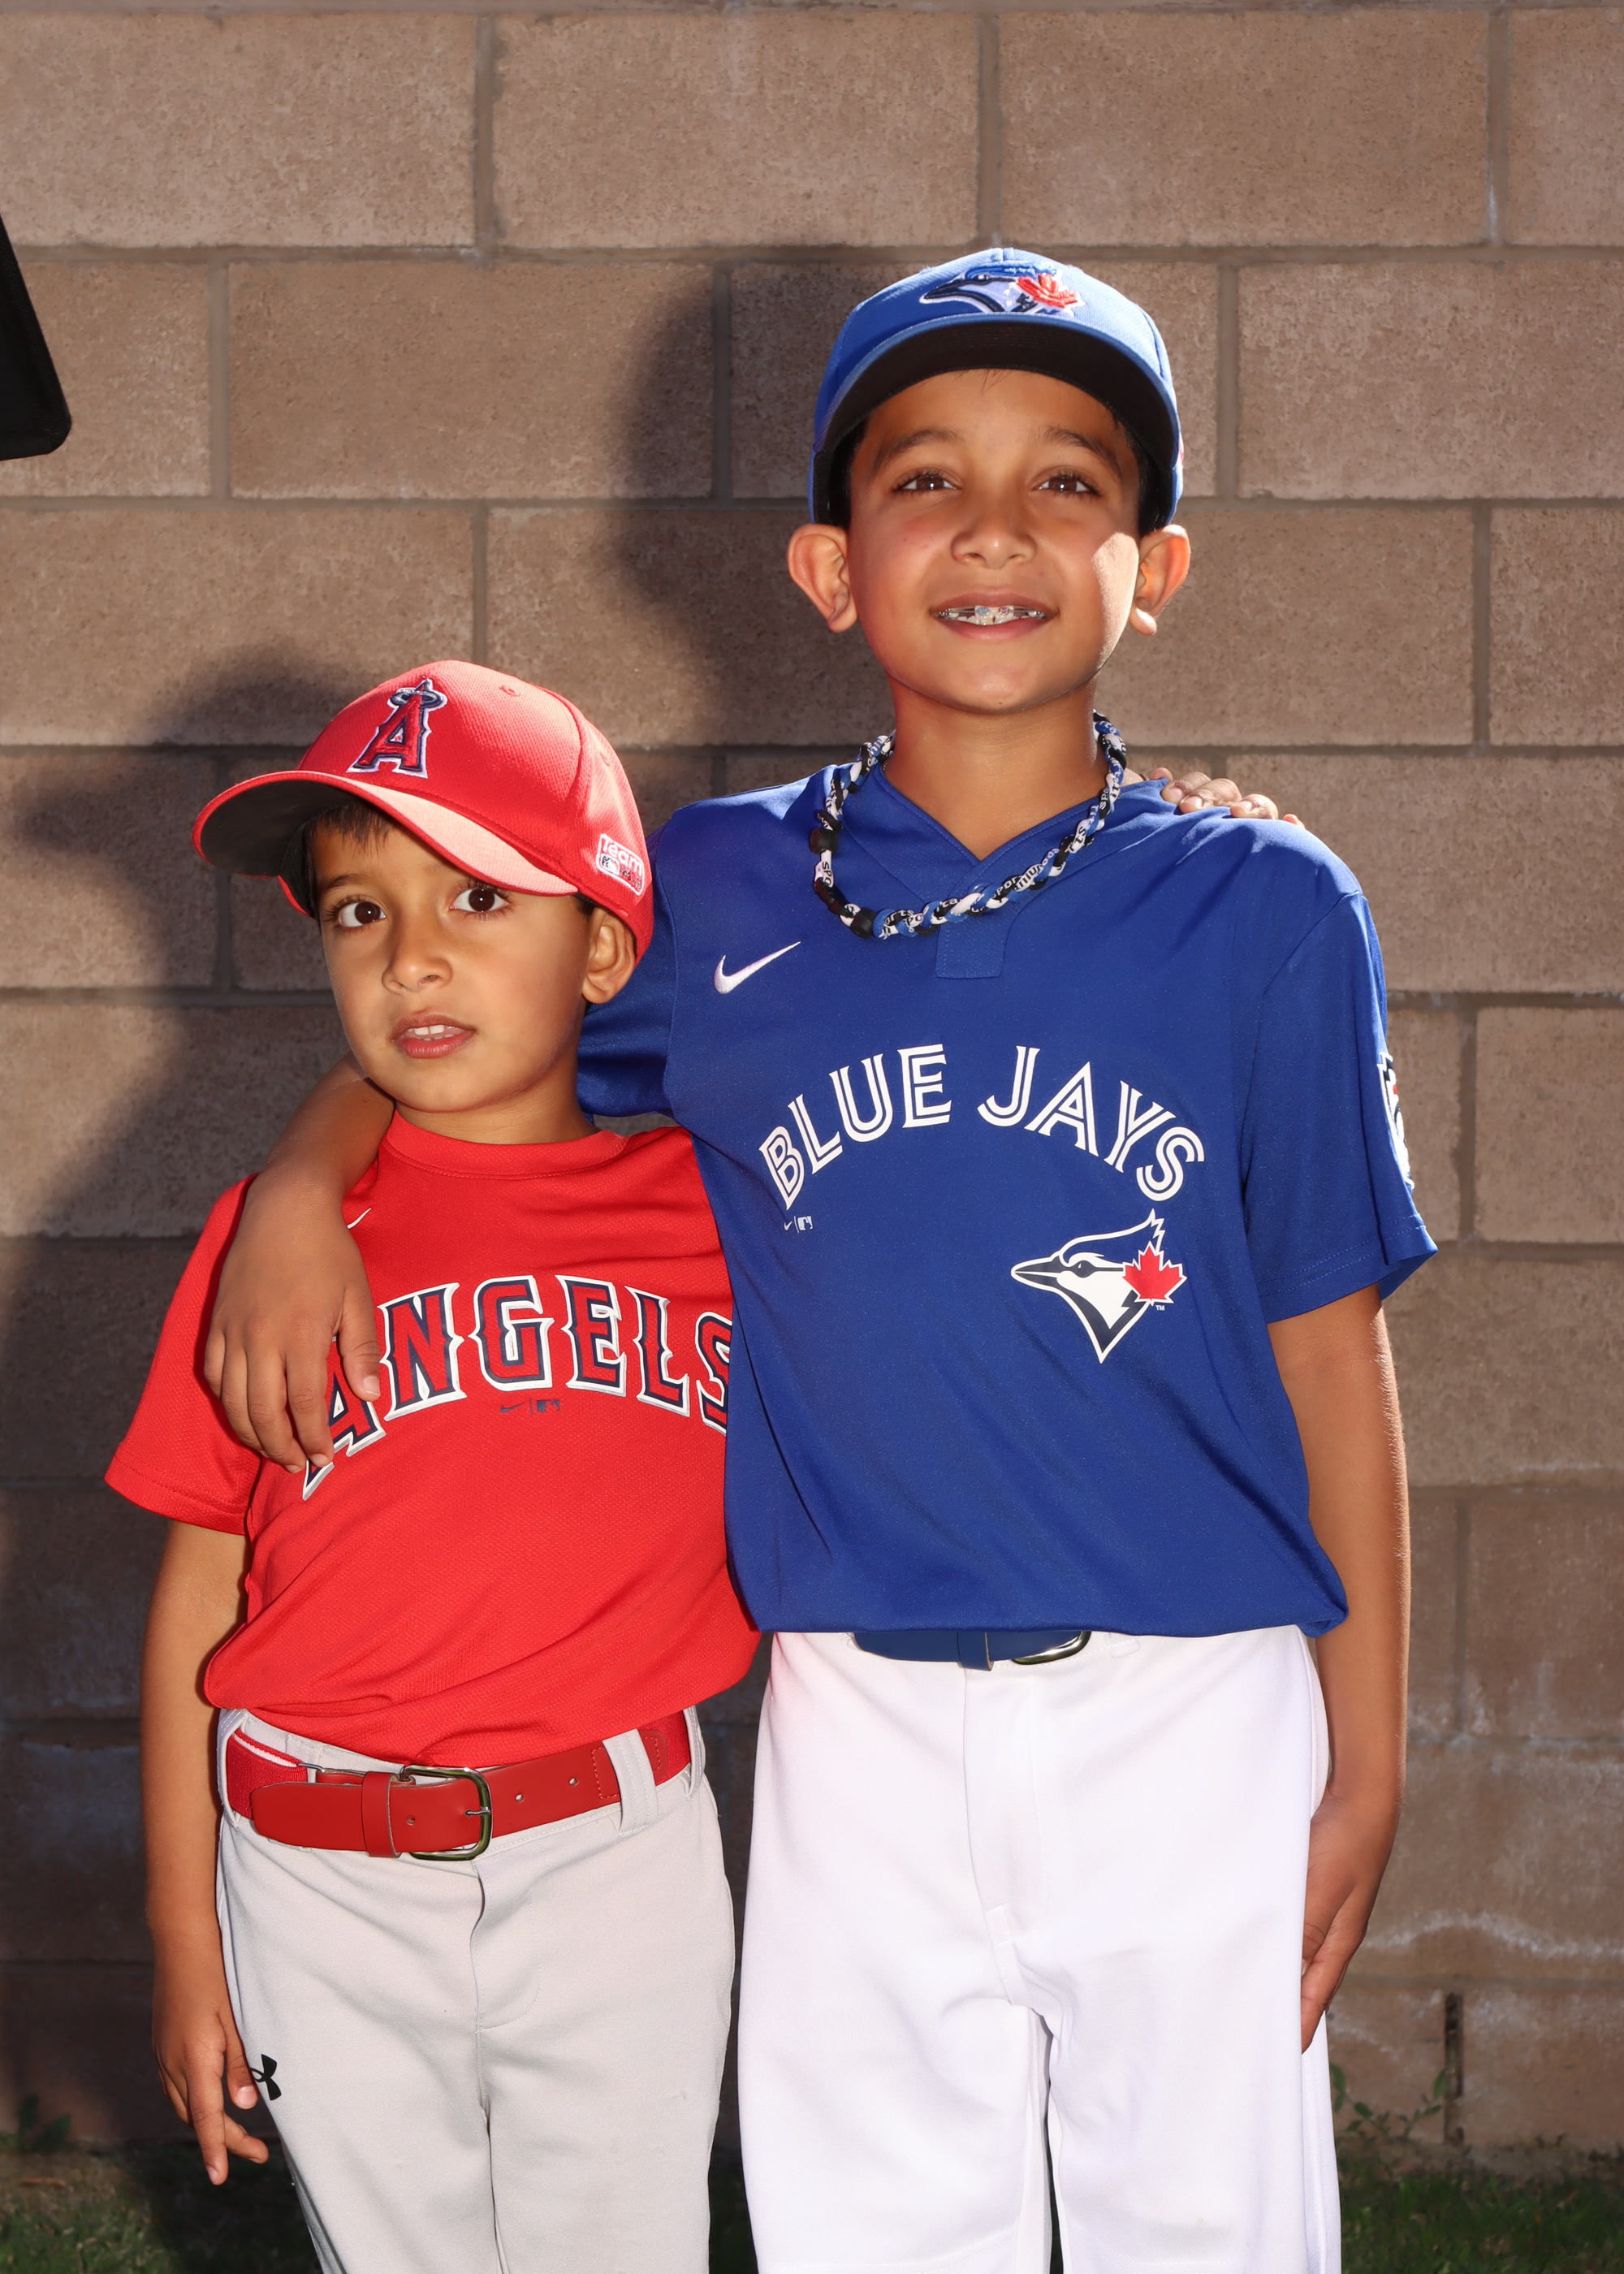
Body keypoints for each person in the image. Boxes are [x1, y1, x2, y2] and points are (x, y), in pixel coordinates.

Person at [199, 251, 1430, 2271]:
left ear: (1155, 565)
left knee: (1209, 2227)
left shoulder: (1267, 903)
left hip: (1196, 1701)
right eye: (925, 478)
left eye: (1068, 481)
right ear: (828, 568)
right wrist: (295, 1182)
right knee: (868, 2226)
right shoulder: (705, 888)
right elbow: (457, 1044)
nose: (995, 529)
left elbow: (1327, 1341)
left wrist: (1366, 1749)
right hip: (853, 1707)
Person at [110, 662, 758, 2274]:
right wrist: (183, 1935)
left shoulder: (721, 1209)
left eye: (478, 893)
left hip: (614, 1854)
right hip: (309, 1865)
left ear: (600, 944)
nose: (410, 956)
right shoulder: (276, 1241)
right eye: (358, 912)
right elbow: (197, 1594)